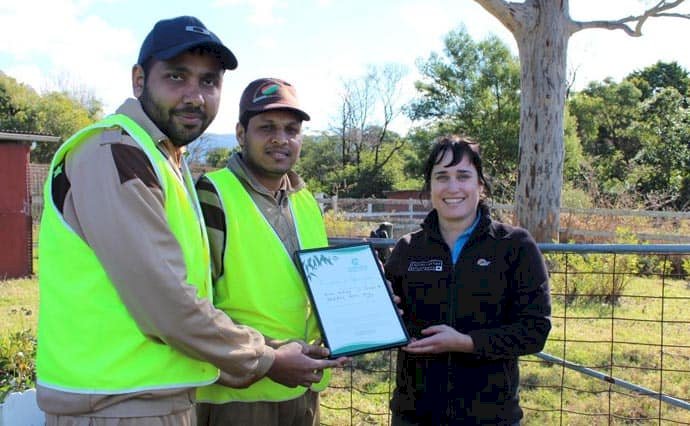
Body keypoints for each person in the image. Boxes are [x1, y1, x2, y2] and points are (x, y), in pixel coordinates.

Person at [36, 17, 341, 425]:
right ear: (139, 79)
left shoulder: (163, 161)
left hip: (154, 397)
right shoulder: (114, 153)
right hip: (117, 405)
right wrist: (265, 357)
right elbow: (168, 304)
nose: (194, 96)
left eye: (209, 82)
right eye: (177, 77)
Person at [195, 77, 339, 426]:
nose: (281, 139)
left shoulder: (306, 202)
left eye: (292, 129)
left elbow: (320, 291)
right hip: (240, 396)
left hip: (302, 391)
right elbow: (192, 303)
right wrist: (270, 357)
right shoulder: (211, 194)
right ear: (241, 134)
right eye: (266, 127)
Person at [384, 135, 552, 425]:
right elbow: (390, 324)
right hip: (414, 414)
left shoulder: (515, 246)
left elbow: (534, 331)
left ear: (480, 185)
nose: (452, 188)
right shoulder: (408, 249)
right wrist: (383, 310)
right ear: (430, 187)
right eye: (442, 177)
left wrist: (466, 342)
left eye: (463, 176)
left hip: (491, 415)